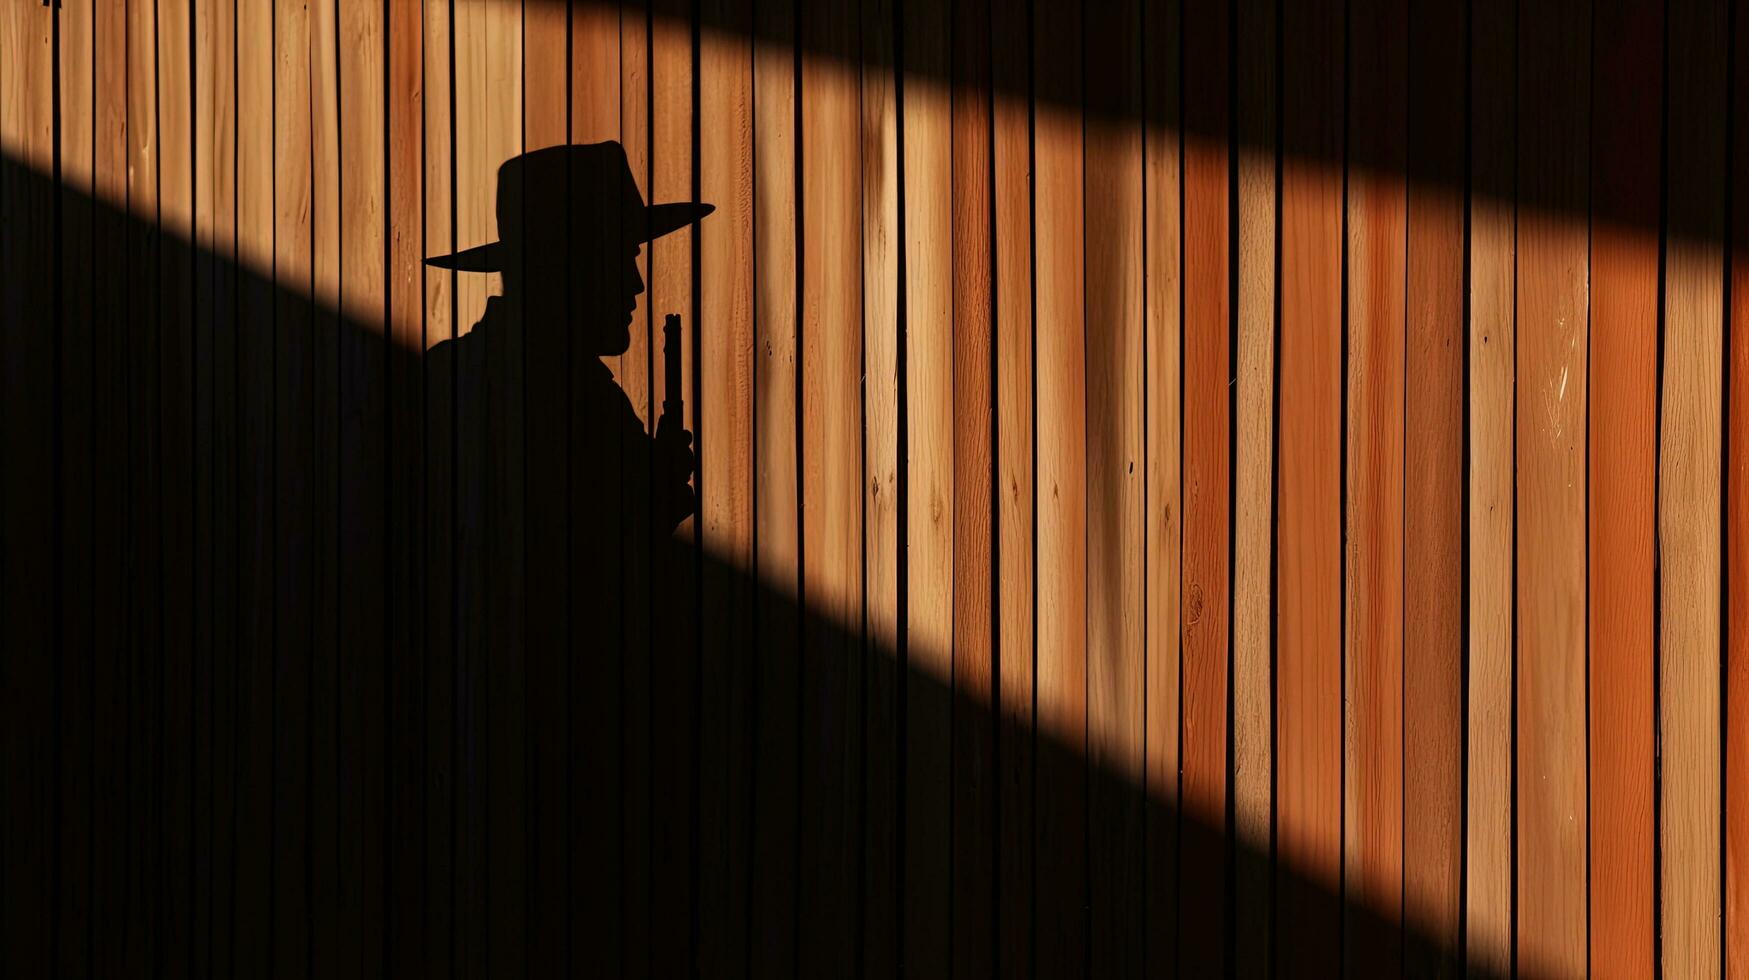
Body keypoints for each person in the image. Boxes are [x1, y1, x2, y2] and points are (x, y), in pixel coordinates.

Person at [424, 141, 713, 646]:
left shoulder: (448, 376)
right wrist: (648, 504)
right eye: (621, 258)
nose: (637, 284)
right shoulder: (564, 398)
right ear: (567, 267)